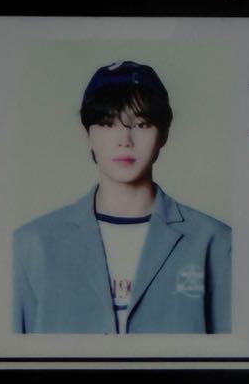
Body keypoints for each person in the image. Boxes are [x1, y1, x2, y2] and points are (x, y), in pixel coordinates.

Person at [13, 61, 231, 334]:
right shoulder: (32, 245)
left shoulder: (215, 242)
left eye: (141, 124)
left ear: (163, 134)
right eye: (108, 124)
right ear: (88, 134)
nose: (124, 140)